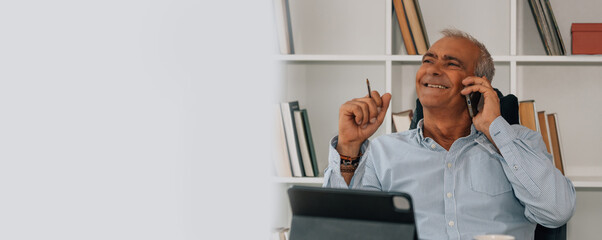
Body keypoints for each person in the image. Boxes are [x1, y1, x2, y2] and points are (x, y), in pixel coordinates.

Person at [323, 29, 576, 240]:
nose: (433, 69)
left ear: (478, 84)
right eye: (428, 60)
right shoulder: (383, 153)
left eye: (451, 63)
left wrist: (496, 131)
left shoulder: (520, 143)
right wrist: (349, 146)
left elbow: (556, 212)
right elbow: (342, 231)